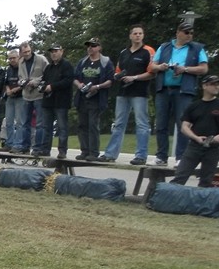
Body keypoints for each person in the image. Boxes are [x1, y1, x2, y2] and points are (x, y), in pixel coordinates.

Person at [151, 21, 209, 165]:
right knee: (161, 124)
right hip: (163, 89)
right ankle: (161, 156)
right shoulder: (164, 46)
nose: (189, 35)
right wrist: (161, 67)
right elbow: (152, 66)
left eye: (191, 33)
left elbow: (204, 69)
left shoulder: (197, 48)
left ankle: (181, 157)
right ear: (178, 33)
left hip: (184, 91)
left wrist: (185, 69)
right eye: (186, 32)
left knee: (183, 123)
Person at [99, 25, 155, 164]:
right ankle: (110, 154)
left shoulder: (148, 51)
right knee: (118, 123)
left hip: (140, 93)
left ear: (143, 35)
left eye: (140, 33)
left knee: (141, 124)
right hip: (123, 92)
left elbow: (152, 73)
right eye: (135, 33)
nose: (137, 36)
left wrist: (134, 78)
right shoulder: (124, 52)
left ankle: (141, 156)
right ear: (130, 36)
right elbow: (118, 70)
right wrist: (118, 76)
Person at [171, 75, 219, 187]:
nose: (217, 86)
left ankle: (201, 203)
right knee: (180, 175)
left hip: (214, 147)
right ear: (205, 86)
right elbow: (184, 127)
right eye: (213, 84)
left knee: (206, 180)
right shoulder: (194, 106)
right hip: (195, 146)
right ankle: (168, 200)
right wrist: (196, 138)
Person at [73, 37, 114, 161]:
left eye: (94, 45)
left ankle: (93, 152)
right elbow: (75, 77)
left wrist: (97, 87)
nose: (91, 48)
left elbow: (110, 80)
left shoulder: (105, 62)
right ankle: (84, 151)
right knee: (82, 124)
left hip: (96, 98)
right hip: (82, 97)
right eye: (89, 46)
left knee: (93, 125)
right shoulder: (82, 62)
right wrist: (79, 84)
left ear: (99, 47)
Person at [37, 44, 74, 158]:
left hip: (61, 101)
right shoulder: (49, 67)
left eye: (56, 51)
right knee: (46, 127)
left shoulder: (67, 65)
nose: (53, 53)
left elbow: (68, 81)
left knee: (62, 127)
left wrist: (52, 86)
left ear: (62, 51)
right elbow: (44, 80)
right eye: (52, 51)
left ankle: (62, 151)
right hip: (48, 101)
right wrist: (42, 87)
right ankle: (45, 149)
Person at [18, 42, 49, 155]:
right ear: (21, 52)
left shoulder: (41, 59)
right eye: (24, 52)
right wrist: (22, 82)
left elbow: (48, 73)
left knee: (40, 123)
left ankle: (37, 148)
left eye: (28, 51)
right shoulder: (20, 62)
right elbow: (20, 76)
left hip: (39, 95)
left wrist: (35, 81)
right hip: (26, 95)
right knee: (24, 123)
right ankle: (25, 147)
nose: (27, 54)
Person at [2, 49, 25, 153]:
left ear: (18, 57)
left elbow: (26, 81)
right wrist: (7, 89)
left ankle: (18, 144)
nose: (12, 60)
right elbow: (6, 82)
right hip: (10, 97)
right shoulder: (9, 69)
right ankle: (9, 143)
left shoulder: (23, 67)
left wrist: (17, 89)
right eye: (10, 58)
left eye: (14, 58)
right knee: (8, 122)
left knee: (20, 122)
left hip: (20, 96)